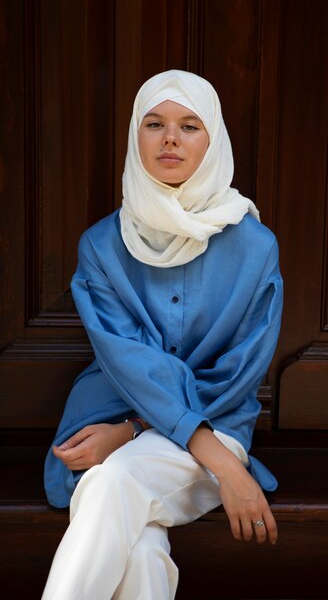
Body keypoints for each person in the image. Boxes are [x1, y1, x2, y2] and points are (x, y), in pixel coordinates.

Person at [42, 69, 283, 600]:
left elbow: (236, 376)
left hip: (211, 429)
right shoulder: (102, 246)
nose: (170, 138)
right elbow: (127, 361)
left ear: (212, 141)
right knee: (142, 547)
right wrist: (131, 431)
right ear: (136, 136)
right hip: (105, 424)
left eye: (189, 125)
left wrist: (136, 435)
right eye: (154, 123)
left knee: (112, 482)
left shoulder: (255, 247)